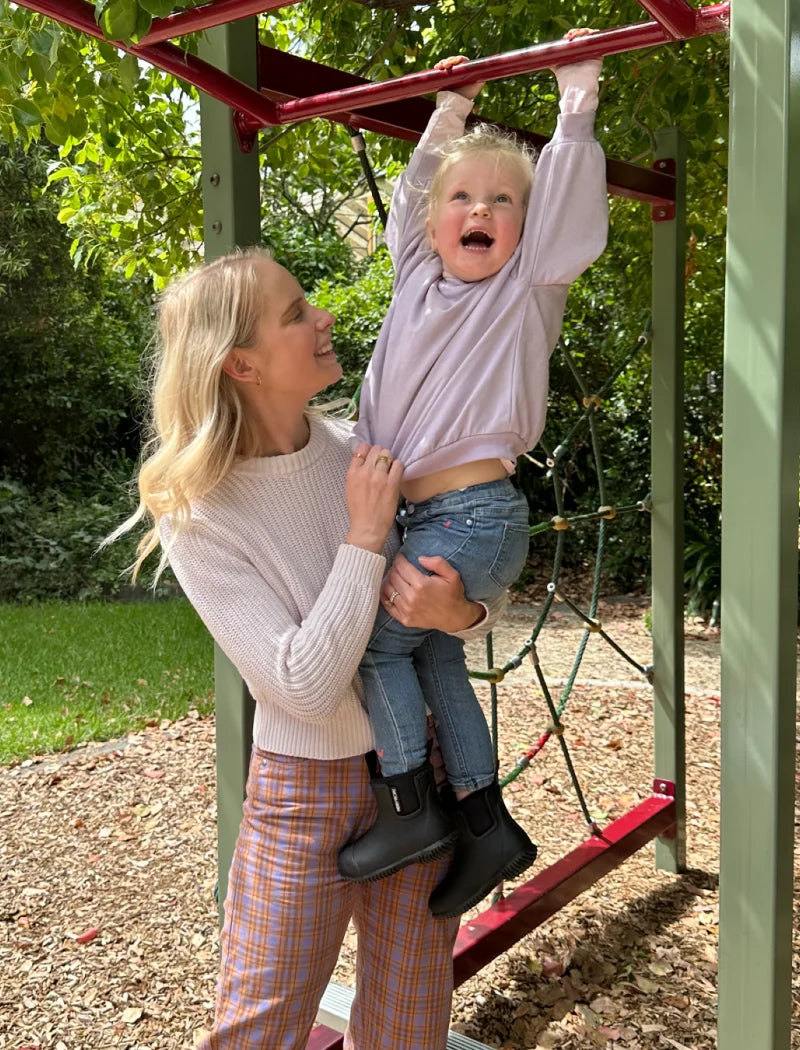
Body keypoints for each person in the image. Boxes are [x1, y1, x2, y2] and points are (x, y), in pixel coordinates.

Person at [107, 248, 506, 1049]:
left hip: (420, 775)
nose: (323, 317)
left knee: (409, 1026)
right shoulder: (201, 512)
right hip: (302, 793)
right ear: (241, 365)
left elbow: (468, 590)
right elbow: (303, 684)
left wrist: (463, 613)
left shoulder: (366, 448)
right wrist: (365, 535)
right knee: (259, 1029)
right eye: (295, 313)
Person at [342, 34, 609, 920]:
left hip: (472, 514)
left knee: (378, 647)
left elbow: (567, 216)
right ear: (431, 223)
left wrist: (577, 100)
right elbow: (417, 192)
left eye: (502, 200)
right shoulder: (416, 273)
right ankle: (488, 823)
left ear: (528, 231)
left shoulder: (526, 284)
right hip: (434, 520)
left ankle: (410, 805)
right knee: (435, 653)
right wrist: (449, 110)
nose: (479, 208)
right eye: (463, 197)